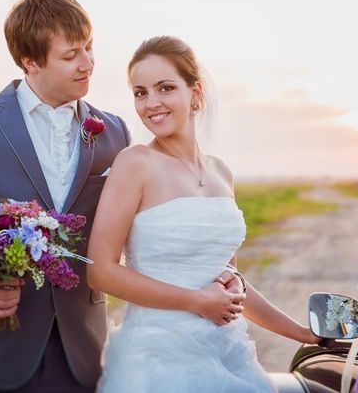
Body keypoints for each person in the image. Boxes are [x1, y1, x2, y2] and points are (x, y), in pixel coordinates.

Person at [0, 0, 244, 393]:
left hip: (80, 360)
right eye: (71, 56)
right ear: (31, 61)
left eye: (90, 48)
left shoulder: (114, 131)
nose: (88, 65)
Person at [88, 36, 318, 393]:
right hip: (156, 360)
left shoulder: (221, 173)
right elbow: (100, 271)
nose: (151, 104)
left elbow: (230, 280)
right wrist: (196, 301)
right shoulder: (135, 164)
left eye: (165, 88)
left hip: (228, 352)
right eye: (140, 92)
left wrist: (303, 333)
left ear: (195, 94)